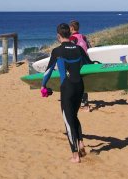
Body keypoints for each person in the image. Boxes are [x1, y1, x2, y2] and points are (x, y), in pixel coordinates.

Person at [41, 23, 93, 163]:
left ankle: (75, 155)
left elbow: (48, 71)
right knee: (74, 116)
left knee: (68, 121)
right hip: (80, 87)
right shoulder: (79, 49)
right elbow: (90, 64)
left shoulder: (57, 51)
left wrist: (43, 86)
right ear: (70, 35)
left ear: (58, 36)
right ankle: (81, 143)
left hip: (67, 88)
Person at [69, 20, 92, 112]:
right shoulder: (84, 37)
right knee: (83, 82)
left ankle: (82, 104)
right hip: (85, 61)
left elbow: (70, 51)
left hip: (77, 63)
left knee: (75, 82)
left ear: (71, 28)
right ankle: (84, 103)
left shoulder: (71, 38)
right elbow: (89, 48)